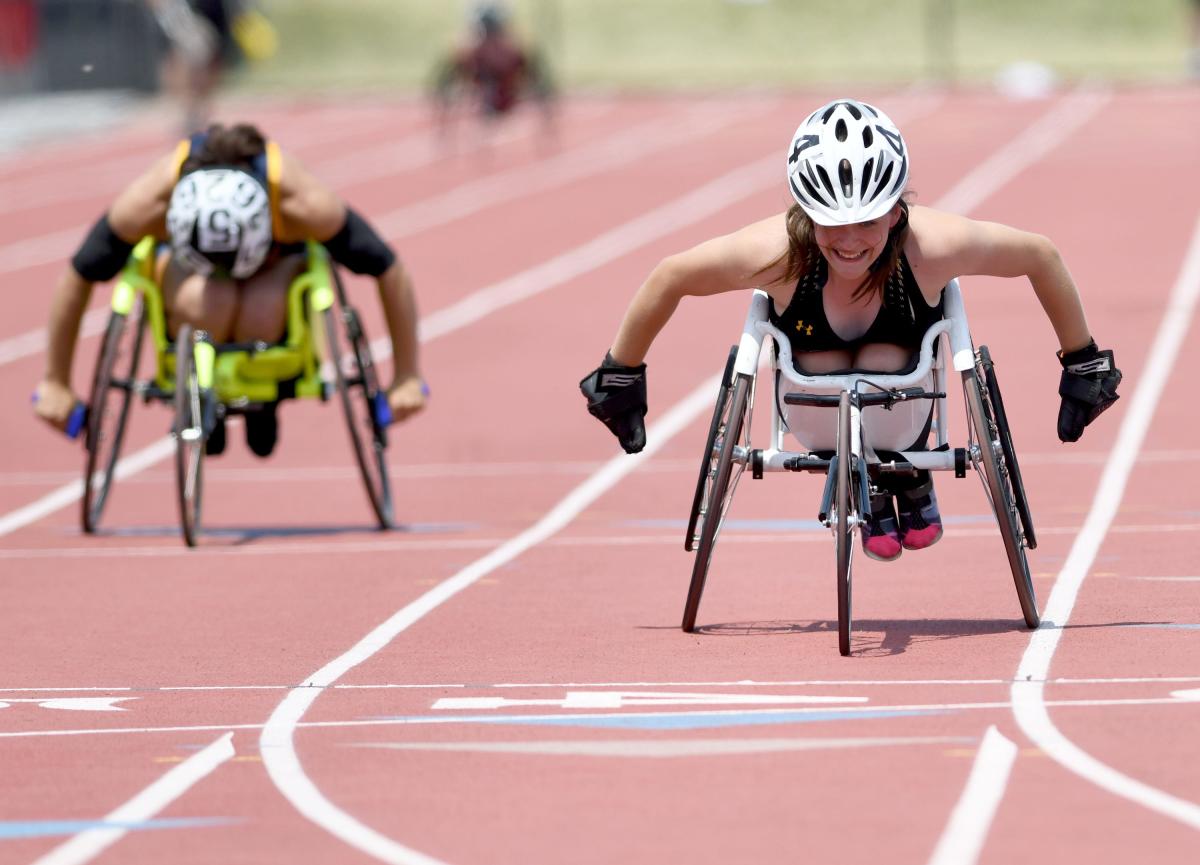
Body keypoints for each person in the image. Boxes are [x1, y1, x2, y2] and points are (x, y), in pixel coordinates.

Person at [580, 98, 1121, 561]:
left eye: (867, 220)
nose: (849, 240)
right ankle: (892, 481)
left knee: (891, 360)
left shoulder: (930, 248)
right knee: (834, 362)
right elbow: (671, 275)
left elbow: (1040, 255)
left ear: (895, 211)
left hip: (905, 415)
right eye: (831, 222)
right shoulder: (779, 255)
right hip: (811, 420)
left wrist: (1083, 361)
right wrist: (620, 374)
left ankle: (904, 473)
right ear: (805, 213)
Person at [34, 122, 427, 457]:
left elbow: (388, 268)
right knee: (211, 304)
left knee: (261, 309)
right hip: (191, 278)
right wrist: (56, 381)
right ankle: (202, 388)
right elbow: (79, 273)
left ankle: (261, 404)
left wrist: (407, 374)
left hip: (273, 269)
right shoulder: (149, 201)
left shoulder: (299, 201)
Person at [432, 2, 555, 143]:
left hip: (505, 91)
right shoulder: (469, 53)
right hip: (489, 89)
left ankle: (546, 119)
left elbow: (534, 73)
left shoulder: (512, 51)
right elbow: (447, 77)